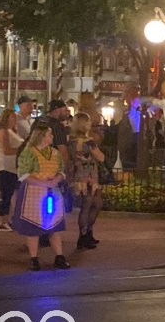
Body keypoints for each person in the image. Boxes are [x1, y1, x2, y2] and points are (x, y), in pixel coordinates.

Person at [11, 122, 71, 271]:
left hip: (52, 191)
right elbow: (23, 174)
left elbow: (62, 171)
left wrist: (56, 179)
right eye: (49, 134)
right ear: (42, 136)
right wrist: (42, 183)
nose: (52, 137)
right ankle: (33, 258)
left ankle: (59, 256)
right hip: (34, 192)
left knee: (55, 226)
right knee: (33, 226)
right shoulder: (29, 152)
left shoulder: (55, 153)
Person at [69, 112, 106, 249]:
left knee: (90, 204)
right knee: (91, 204)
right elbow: (101, 157)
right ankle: (84, 235)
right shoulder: (89, 142)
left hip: (80, 175)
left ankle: (86, 233)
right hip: (90, 176)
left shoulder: (71, 141)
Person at [0, 109, 23, 231]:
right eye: (12, 117)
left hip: (12, 167)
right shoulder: (3, 132)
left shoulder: (12, 131)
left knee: (10, 193)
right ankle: (2, 220)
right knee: (4, 194)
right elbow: (7, 150)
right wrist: (21, 150)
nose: (14, 120)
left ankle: (7, 218)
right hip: (4, 166)